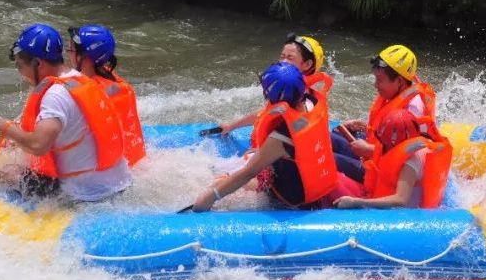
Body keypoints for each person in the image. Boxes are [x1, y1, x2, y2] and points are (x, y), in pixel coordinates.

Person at [186, 63, 362, 212]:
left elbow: (247, 174)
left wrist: (209, 198)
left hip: (293, 198)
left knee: (222, 182)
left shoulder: (281, 137)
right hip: (313, 180)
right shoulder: (310, 103)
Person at [0, 23, 131, 202]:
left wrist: (6, 129)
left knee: (5, 173)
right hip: (117, 182)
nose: (21, 73)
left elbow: (39, 145)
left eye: (20, 66)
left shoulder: (55, 96)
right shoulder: (80, 78)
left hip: (84, 193)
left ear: (38, 63)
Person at [335, 109, 452, 209]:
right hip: (394, 190)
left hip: (405, 213)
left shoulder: (410, 162)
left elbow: (400, 200)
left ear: (394, 142)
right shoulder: (419, 142)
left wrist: (356, 202)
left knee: (335, 182)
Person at [218, 33, 333, 135]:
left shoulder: (297, 94)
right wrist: (231, 126)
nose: (283, 62)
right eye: (282, 56)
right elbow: (269, 112)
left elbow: (294, 128)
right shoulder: (298, 88)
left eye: (290, 58)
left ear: (307, 65)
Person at [341, 44, 440, 161]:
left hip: (389, 172)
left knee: (333, 156)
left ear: (399, 81)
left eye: (380, 80)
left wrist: (369, 150)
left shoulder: (412, 110)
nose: (375, 85)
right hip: (379, 151)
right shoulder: (398, 94)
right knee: (336, 135)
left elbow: (411, 156)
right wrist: (366, 128)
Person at [67, 24, 146, 167]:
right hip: (135, 162)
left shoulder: (88, 92)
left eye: (70, 50)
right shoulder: (113, 80)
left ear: (84, 57)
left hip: (112, 171)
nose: (68, 54)